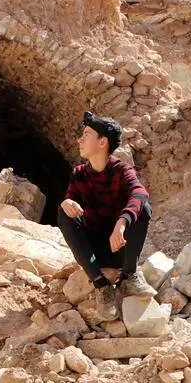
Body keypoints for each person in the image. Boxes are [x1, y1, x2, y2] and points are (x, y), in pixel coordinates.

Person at [57, 111, 156, 321]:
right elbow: (70, 200)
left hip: (119, 248)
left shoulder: (122, 171)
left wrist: (121, 223)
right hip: (92, 254)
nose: (79, 139)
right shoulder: (79, 174)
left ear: (102, 142)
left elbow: (139, 193)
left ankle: (129, 276)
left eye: (86, 135)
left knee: (143, 208)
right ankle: (101, 285)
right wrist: (67, 202)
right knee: (63, 211)